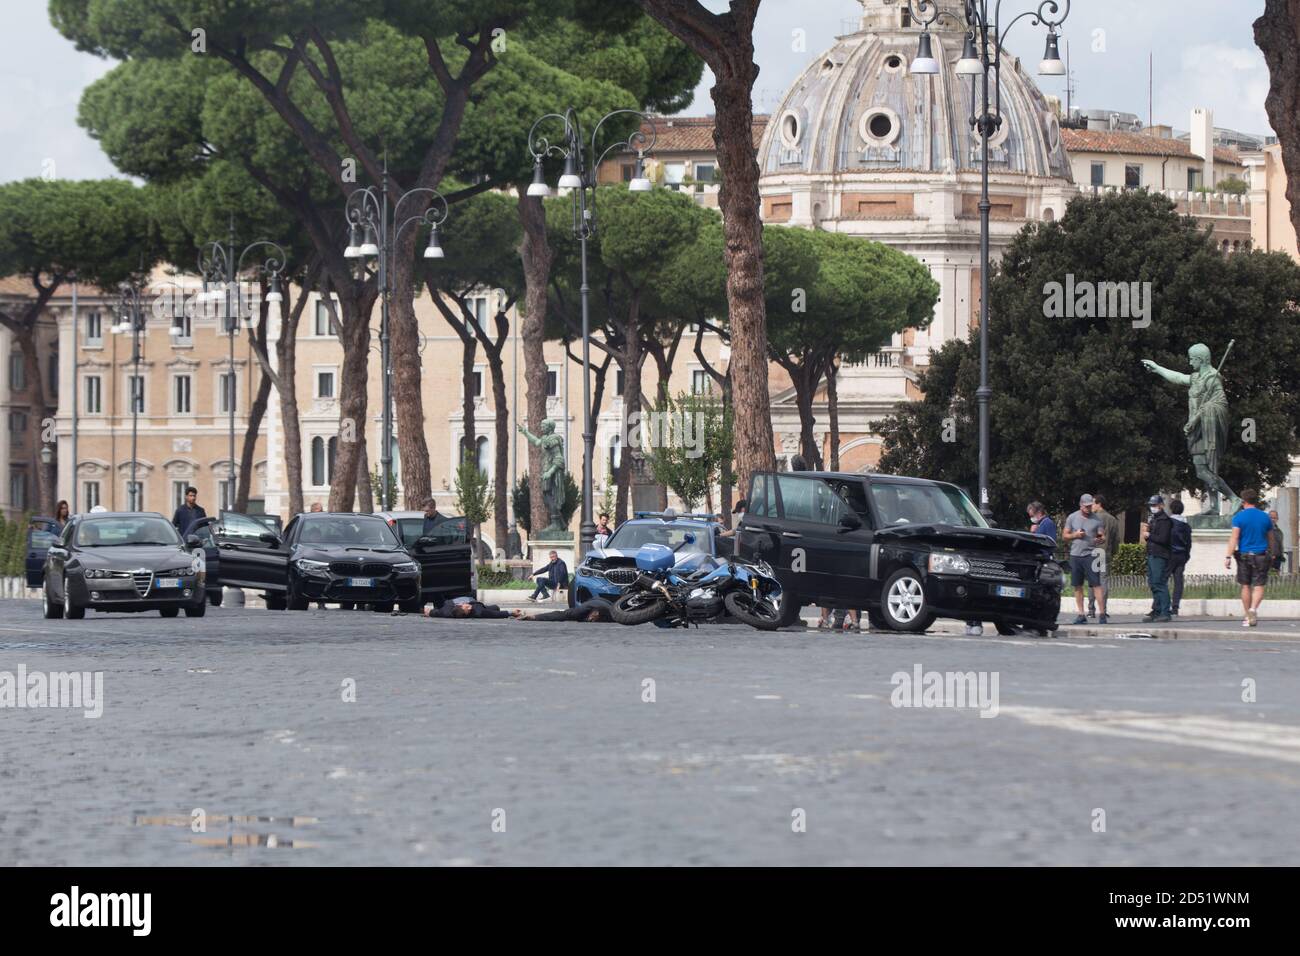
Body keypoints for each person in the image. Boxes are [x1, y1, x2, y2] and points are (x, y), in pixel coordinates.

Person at [1226, 488, 1273, 628]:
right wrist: (1273, 552)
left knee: (1245, 585)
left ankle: (1247, 615)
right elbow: (1271, 538)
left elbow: (1234, 538)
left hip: (1244, 555)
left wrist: (1228, 555)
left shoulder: (1239, 517)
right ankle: (1253, 609)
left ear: (1243, 501)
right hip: (1261, 555)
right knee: (1259, 585)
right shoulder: (1265, 517)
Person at [1064, 494, 1107, 625]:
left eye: (1090, 506)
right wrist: (1075, 535)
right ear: (1081, 505)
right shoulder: (1072, 517)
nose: (1088, 508)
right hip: (1076, 555)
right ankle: (1081, 614)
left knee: (1096, 584)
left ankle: (1102, 614)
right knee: (1077, 585)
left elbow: (1102, 535)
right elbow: (1065, 536)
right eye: (1086, 506)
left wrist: (1100, 539)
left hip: (1091, 554)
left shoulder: (1097, 519)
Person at [1088, 494, 1121, 621]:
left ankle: (1091, 609)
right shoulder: (1112, 519)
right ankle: (1104, 609)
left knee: (1093, 581)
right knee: (1104, 581)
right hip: (1105, 553)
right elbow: (1116, 539)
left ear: (1099, 504)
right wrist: (1113, 552)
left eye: (1093, 503)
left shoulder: (1092, 519)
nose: (1091, 506)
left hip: (1094, 552)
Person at [1141, 495, 1173, 623]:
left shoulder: (1165, 520)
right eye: (1151, 505)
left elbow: (1163, 539)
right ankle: (1157, 609)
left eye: (1154, 505)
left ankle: (1165, 611)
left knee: (1159, 583)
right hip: (1152, 553)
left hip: (1160, 554)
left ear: (1161, 505)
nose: (1152, 508)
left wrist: (1149, 535)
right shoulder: (1154, 519)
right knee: (1153, 583)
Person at [1166, 499, 1192, 616]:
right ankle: (1175, 606)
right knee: (1178, 581)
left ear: (1171, 509)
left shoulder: (1169, 523)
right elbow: (1189, 543)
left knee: (1163, 580)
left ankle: (1163, 604)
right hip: (1181, 555)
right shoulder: (1186, 526)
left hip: (1170, 555)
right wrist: (1186, 555)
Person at [512, 598, 615, 623]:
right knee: (570, 614)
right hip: (594, 602)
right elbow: (561, 615)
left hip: (608, 604)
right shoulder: (581, 610)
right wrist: (534, 617)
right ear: (595, 613)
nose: (590, 620)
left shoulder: (613, 615)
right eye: (592, 618)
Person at [423, 596, 510, 619]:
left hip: (451, 600)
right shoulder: (477, 611)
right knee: (495, 608)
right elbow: (495, 614)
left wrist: (428, 612)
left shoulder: (446, 611)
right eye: (468, 610)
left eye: (466, 607)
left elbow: (435, 612)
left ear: (460, 605)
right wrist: (511, 613)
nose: (469, 607)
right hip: (477, 603)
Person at [1268, 509, 1286, 573]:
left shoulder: (1279, 532)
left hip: (1277, 558)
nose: (1273, 519)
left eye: (1274, 518)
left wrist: (1282, 555)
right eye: (1271, 517)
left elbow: (1280, 545)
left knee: (1276, 576)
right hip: (1267, 558)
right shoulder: (1264, 530)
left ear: (1277, 519)